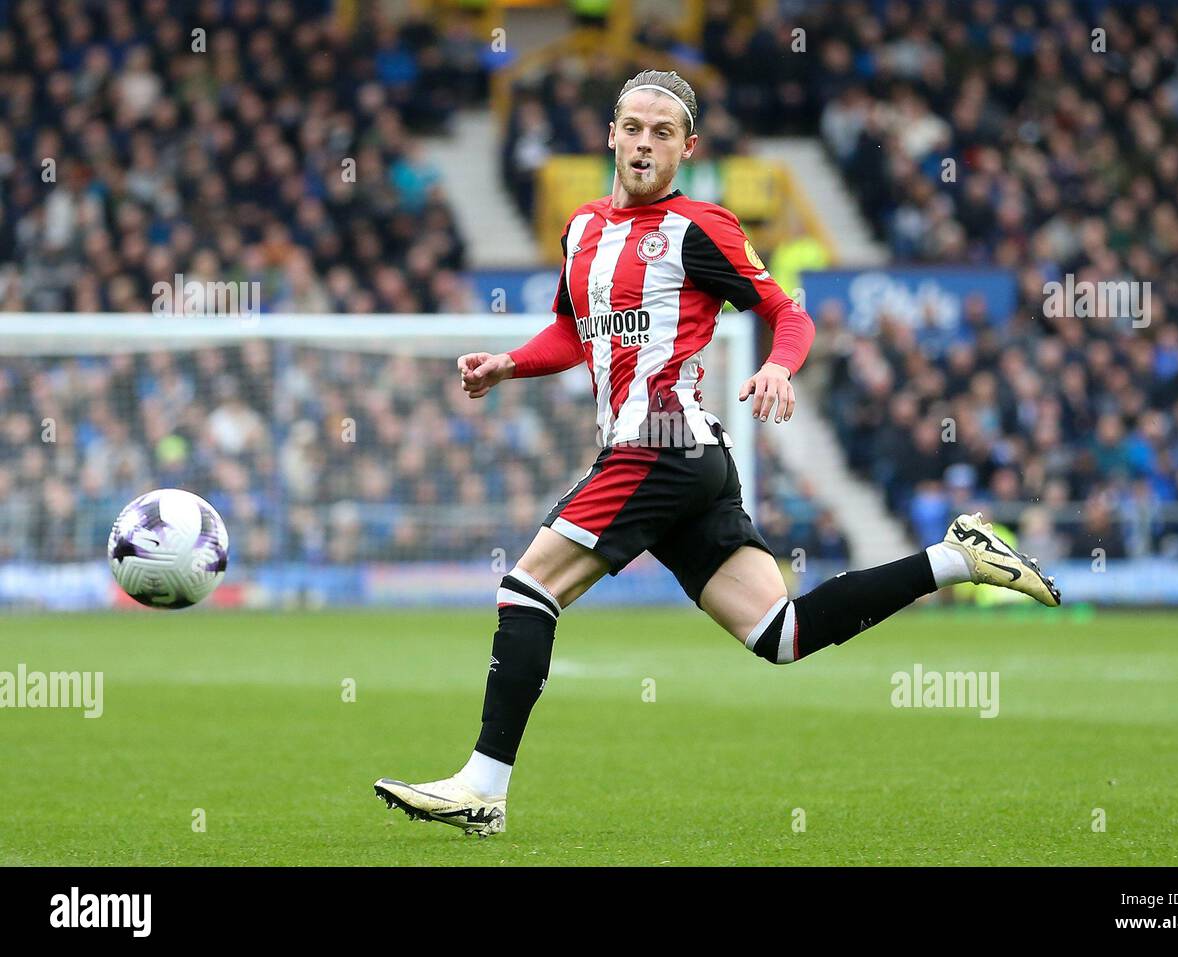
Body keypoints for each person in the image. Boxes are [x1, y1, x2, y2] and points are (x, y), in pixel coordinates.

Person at [375, 70, 1060, 836]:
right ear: (610, 134)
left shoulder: (700, 227)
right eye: (632, 127)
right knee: (780, 633)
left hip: (658, 444)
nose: (643, 143)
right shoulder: (580, 231)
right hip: (683, 463)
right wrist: (509, 363)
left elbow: (787, 314)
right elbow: (574, 332)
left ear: (687, 147)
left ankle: (483, 787)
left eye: (662, 133)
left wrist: (776, 365)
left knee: (526, 590)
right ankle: (958, 557)